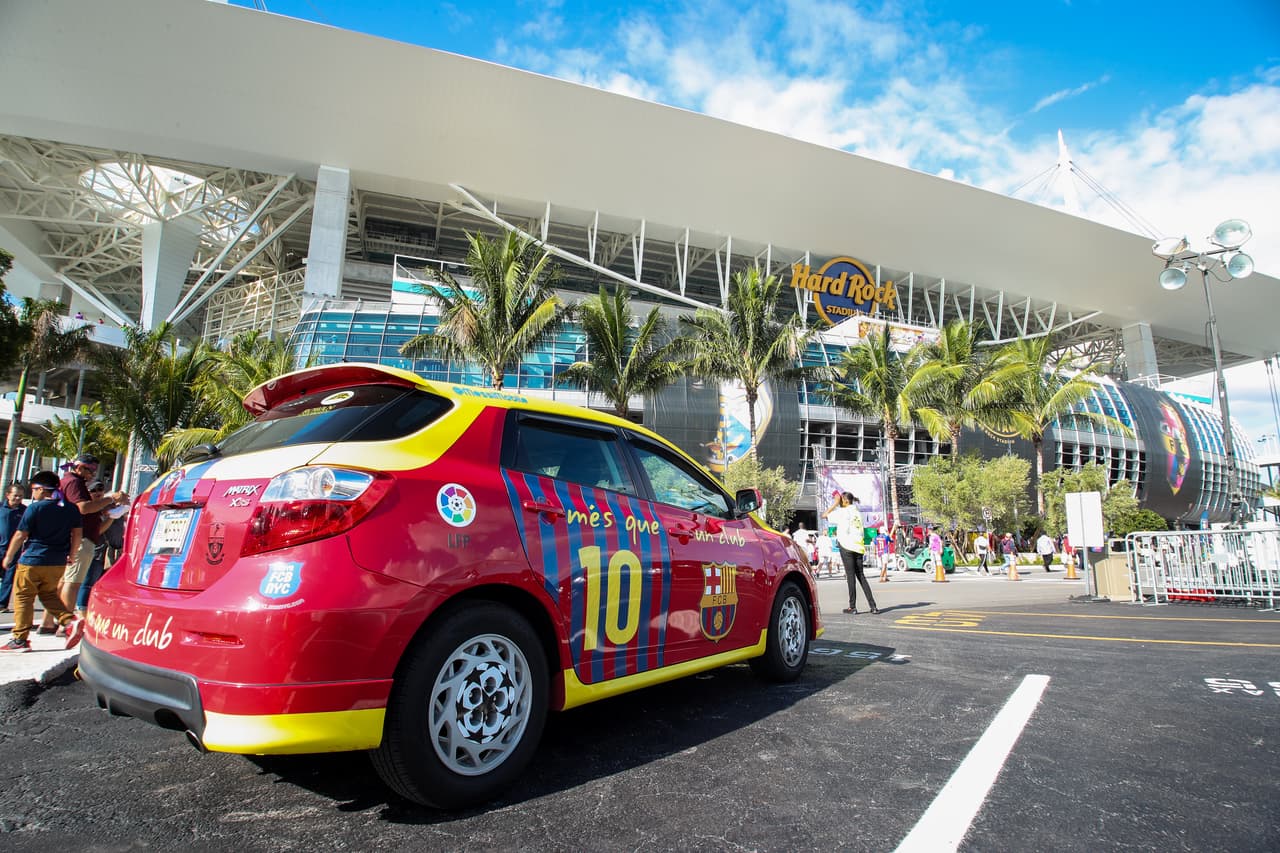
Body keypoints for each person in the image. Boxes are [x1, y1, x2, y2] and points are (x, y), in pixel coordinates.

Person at [1, 470, 85, 652]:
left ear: (42, 489)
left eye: (34, 489)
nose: (33, 493)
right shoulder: (70, 508)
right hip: (57, 561)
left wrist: (8, 556)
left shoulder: (35, 508)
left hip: (33, 559)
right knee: (48, 594)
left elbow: (20, 534)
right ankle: (69, 621)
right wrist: (72, 554)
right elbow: (77, 533)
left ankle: (20, 639)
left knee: (23, 597)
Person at [56, 454, 128, 623]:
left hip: (80, 537)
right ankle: (64, 623)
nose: (93, 475)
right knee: (72, 583)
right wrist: (111, 498)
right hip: (80, 539)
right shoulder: (75, 482)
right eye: (90, 470)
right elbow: (83, 508)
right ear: (80, 467)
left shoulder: (70, 481)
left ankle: (50, 621)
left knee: (65, 581)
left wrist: (109, 512)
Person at [831, 491, 878, 615]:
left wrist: (835, 503)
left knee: (850, 577)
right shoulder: (857, 512)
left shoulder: (843, 511)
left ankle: (852, 606)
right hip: (858, 546)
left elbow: (824, 515)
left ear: (845, 501)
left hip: (846, 545)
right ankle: (873, 606)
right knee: (861, 576)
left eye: (841, 500)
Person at [0, 484, 27, 610]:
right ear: (8, 495)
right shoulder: (1, 508)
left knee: (8, 578)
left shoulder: (25, 511)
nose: (18, 498)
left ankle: (2, 603)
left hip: (14, 549)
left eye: (20, 496)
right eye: (15, 495)